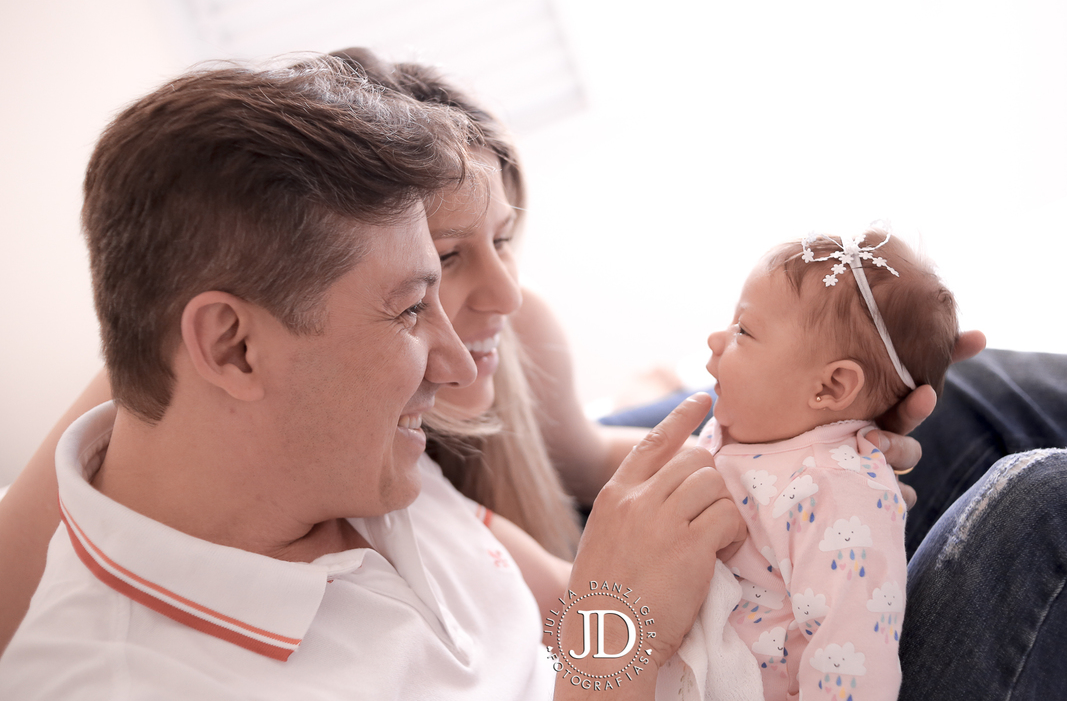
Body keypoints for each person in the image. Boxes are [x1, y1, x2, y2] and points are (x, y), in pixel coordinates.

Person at [0, 56, 746, 700]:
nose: (455, 364)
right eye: (412, 308)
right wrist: (620, 637)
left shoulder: (358, 459)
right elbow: (604, 636)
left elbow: (571, 614)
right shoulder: (119, 681)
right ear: (234, 348)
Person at [686, 231, 956, 700]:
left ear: (830, 387)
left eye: (743, 331)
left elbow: (855, 654)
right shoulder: (742, 427)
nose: (716, 338)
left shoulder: (835, 491)